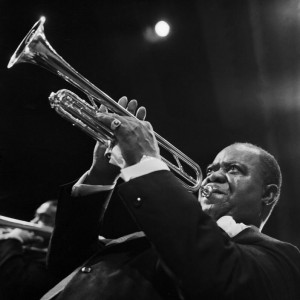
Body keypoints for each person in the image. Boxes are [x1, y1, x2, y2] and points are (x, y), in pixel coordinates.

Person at [44, 98, 300, 300]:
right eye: (211, 170)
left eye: (234, 169)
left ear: (269, 194)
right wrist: (101, 174)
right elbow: (65, 264)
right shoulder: (144, 240)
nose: (214, 176)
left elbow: (209, 276)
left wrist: (146, 163)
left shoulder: (282, 259)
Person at [0, 200, 57, 300]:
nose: (32, 222)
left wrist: (14, 239)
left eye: (44, 218)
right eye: (35, 216)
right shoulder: (20, 248)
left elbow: (13, 283)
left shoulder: (52, 263)